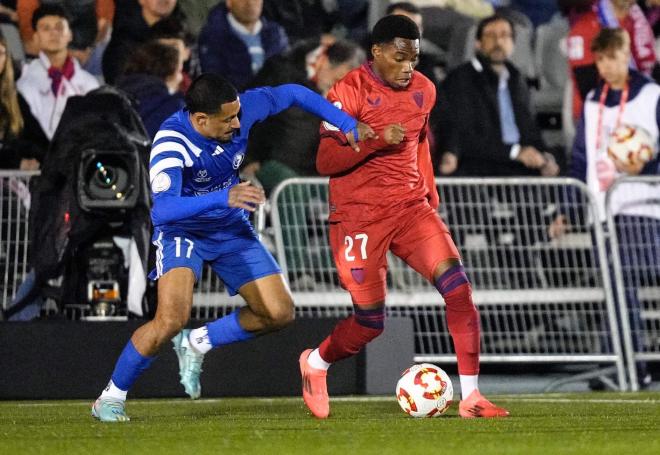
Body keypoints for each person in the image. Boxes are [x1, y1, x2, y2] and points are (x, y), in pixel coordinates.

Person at [91, 73, 375, 422]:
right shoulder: (171, 142)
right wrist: (224, 196)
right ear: (200, 120)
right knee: (169, 319)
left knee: (279, 312)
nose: (238, 123)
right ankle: (110, 397)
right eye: (228, 120)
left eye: (238, 114)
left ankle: (197, 341)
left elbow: (292, 92)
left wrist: (345, 123)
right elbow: (163, 208)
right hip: (183, 233)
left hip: (228, 227)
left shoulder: (241, 109)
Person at [298, 14, 509, 419]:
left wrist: (430, 189)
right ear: (376, 53)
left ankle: (471, 397)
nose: (408, 67)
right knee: (370, 322)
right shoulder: (347, 92)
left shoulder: (424, 90)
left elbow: (420, 142)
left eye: (413, 58)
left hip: (411, 209)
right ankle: (317, 363)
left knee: (459, 289)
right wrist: (373, 139)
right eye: (400, 58)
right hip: (358, 218)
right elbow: (325, 159)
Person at [550, 27, 660, 390]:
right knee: (616, 287)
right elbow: (580, 158)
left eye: (613, 57)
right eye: (601, 59)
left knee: (623, 282)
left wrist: (647, 166)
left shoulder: (651, 95)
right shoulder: (594, 100)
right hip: (603, 210)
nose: (607, 65)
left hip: (644, 206)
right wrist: (567, 209)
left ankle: (630, 362)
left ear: (627, 54)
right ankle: (621, 363)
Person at [435, 14, 559, 177]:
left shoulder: (516, 79)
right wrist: (515, 152)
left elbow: (529, 128)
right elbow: (464, 137)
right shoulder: (460, 79)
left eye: (504, 35)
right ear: (478, 44)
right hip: (481, 169)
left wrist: (545, 156)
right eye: (491, 35)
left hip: (518, 166)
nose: (498, 42)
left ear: (513, 44)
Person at [16, 4, 99, 143]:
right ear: (35, 37)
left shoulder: (90, 84)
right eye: (46, 28)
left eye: (59, 27)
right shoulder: (24, 83)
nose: (54, 33)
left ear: (70, 34)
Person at [198, 0, 288, 90]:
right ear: (229, 2)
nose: (250, 3)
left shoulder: (276, 35)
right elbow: (215, 85)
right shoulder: (212, 38)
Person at [116, 40, 185, 139]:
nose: (181, 78)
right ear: (169, 74)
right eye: (179, 71)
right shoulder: (173, 109)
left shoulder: (113, 96)